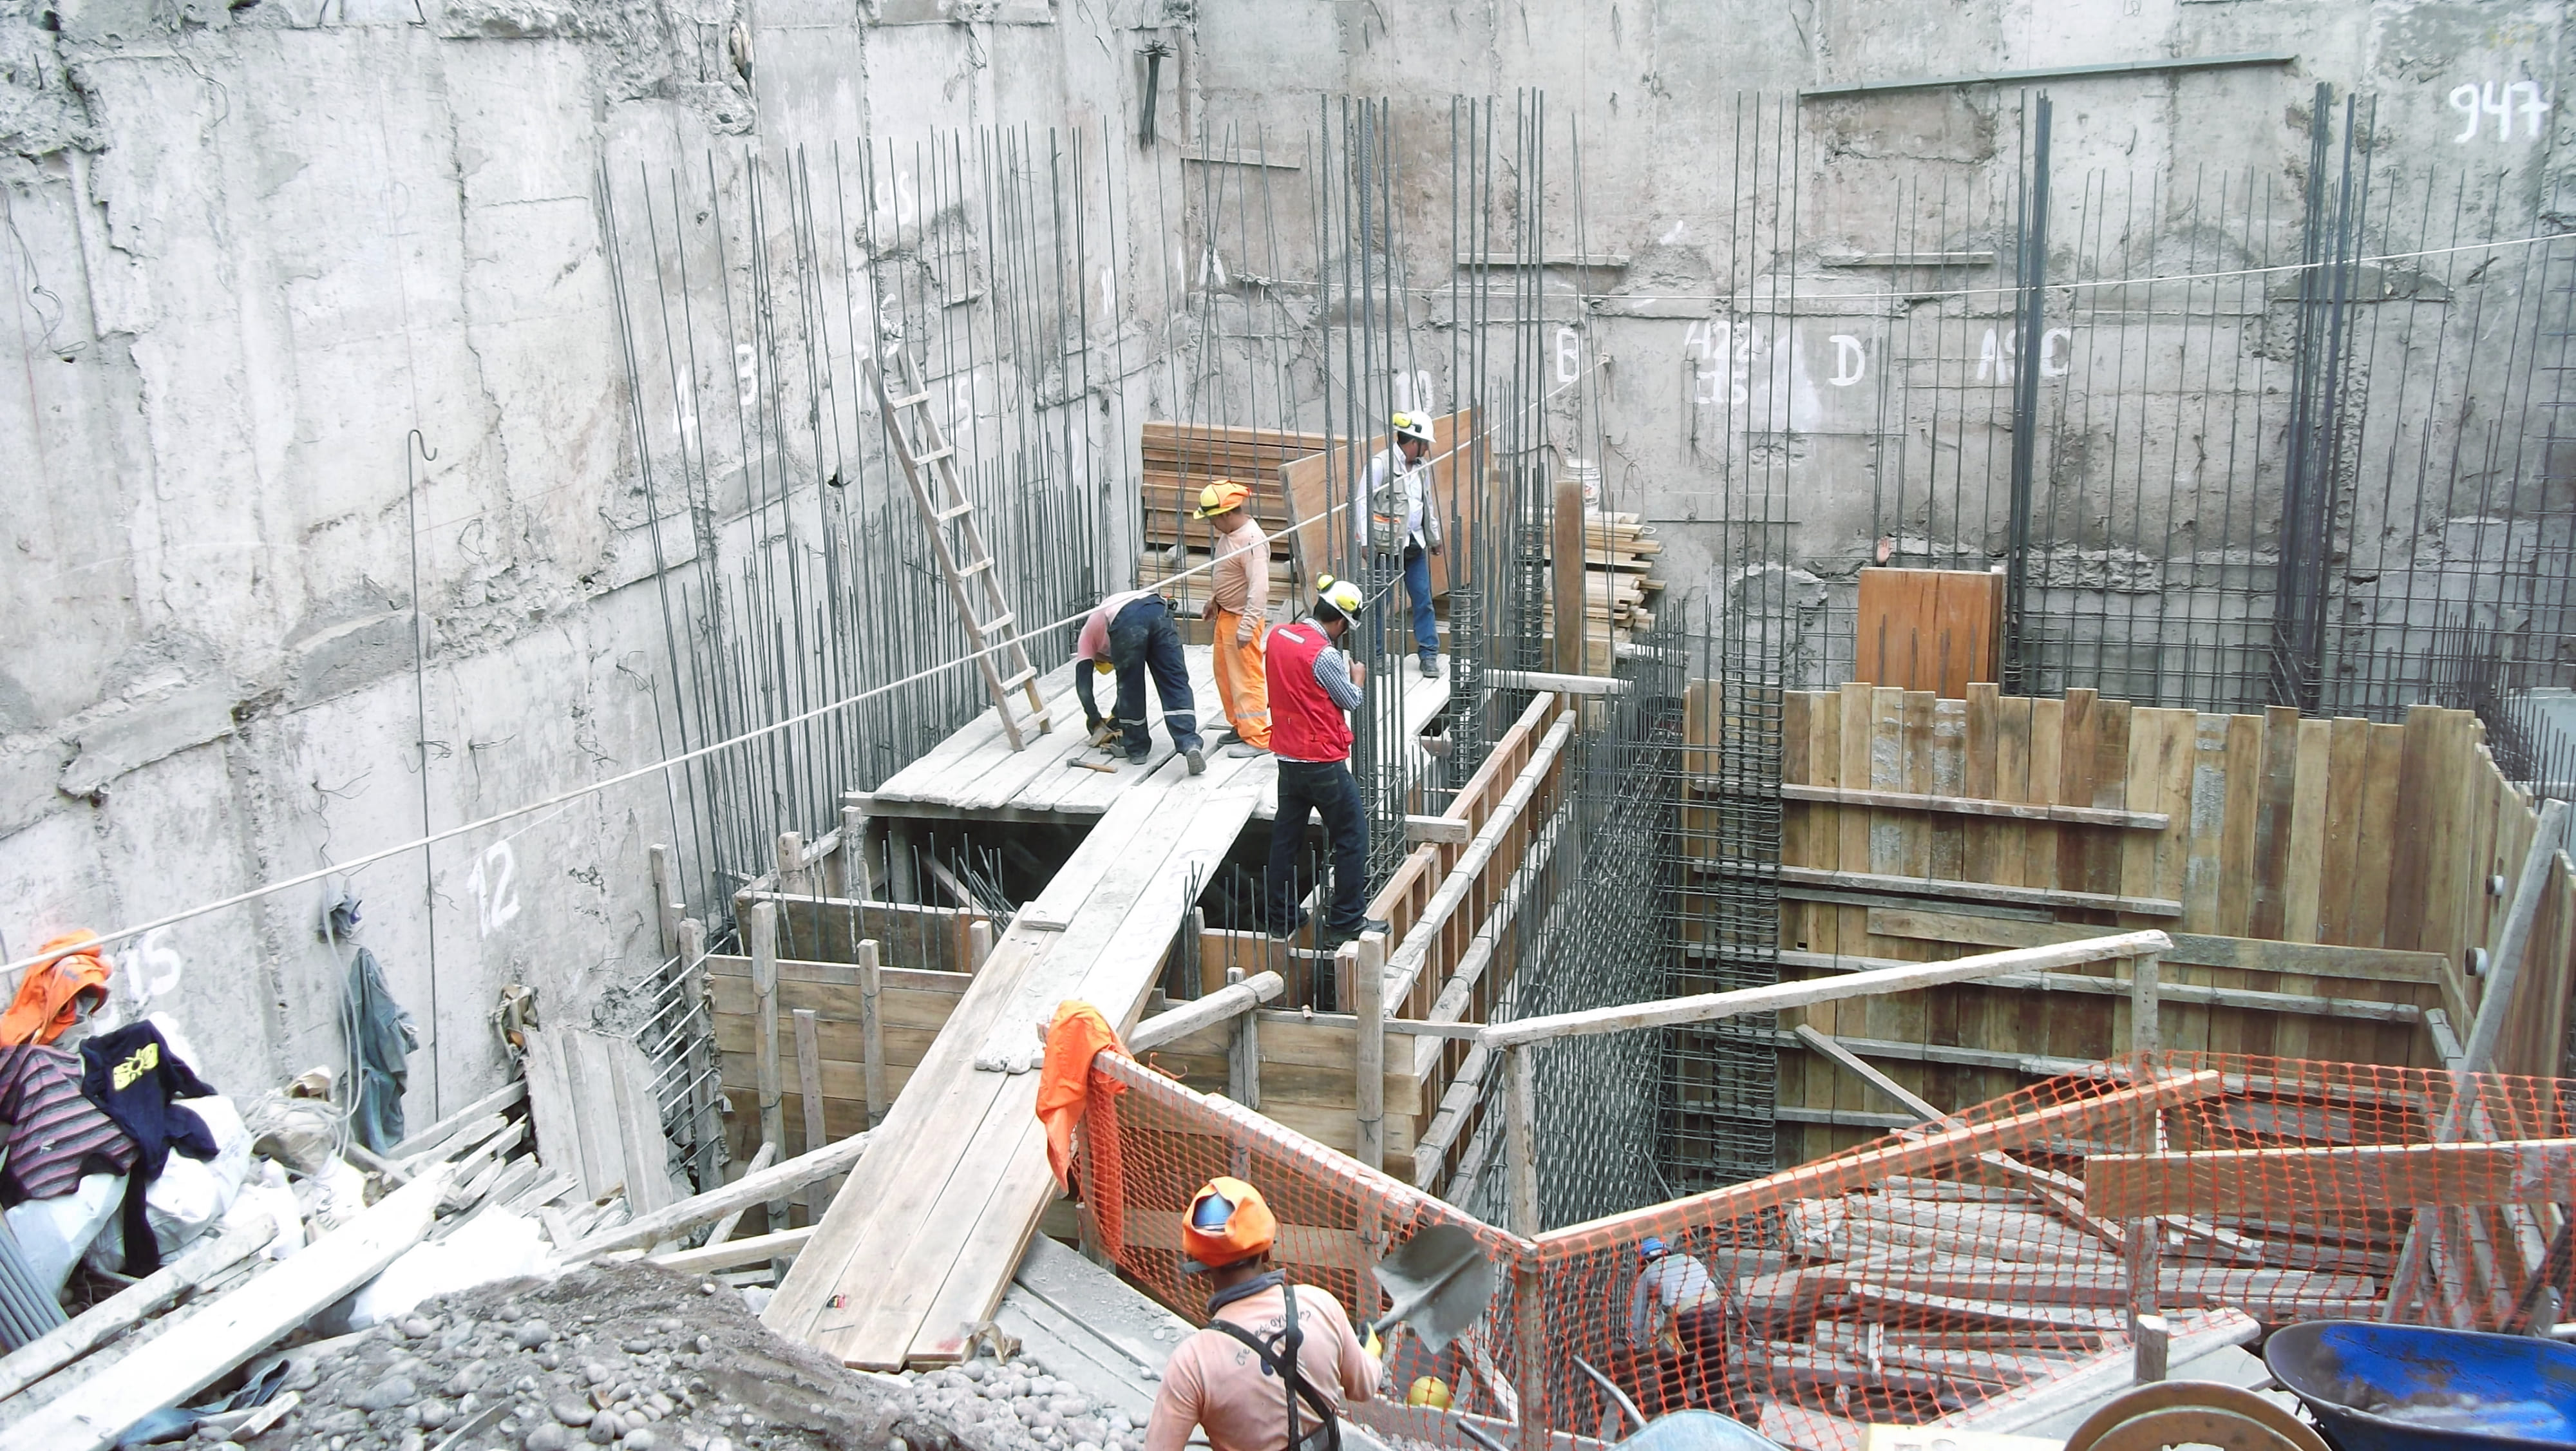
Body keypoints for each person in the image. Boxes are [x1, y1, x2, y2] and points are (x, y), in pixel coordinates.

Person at [1146, 1177, 1382, 1451]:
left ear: (1200, 1266)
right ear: (1267, 1250)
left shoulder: (1193, 1362)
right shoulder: (1322, 1305)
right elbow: (1364, 1386)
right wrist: (1371, 1350)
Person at [1263, 577, 1389, 954]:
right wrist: (1359, 679)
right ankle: (1347, 921)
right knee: (1352, 836)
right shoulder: (1325, 654)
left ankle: (1281, 917)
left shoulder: (1279, 636)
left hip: (1287, 758)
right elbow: (1350, 700)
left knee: (1286, 839)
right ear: (1339, 622)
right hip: (1322, 761)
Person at [1075, 587, 1204, 773]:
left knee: (1130, 686)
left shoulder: (1086, 638)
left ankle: (1137, 749)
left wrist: (1094, 720)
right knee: (1175, 681)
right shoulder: (1105, 617)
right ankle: (1189, 742)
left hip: (1127, 618)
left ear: (1100, 657)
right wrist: (1114, 716)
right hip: (1158, 609)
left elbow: (1084, 688)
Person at [1357, 412, 1443, 679]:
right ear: (1412, 441)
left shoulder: (1420, 468)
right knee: (1380, 602)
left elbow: (1425, 505)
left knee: (1423, 600)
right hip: (1386, 547)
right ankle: (1378, 655)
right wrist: (1366, 541)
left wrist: (1434, 537)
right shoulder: (1380, 464)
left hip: (1414, 545)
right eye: (1424, 443)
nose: (1427, 449)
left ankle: (1428, 655)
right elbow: (1361, 502)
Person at [1197, 479, 1272, 755]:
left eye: (1213, 518)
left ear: (1227, 513)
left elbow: (1259, 587)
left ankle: (1259, 737)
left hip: (1242, 619)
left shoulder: (1251, 540)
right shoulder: (1230, 535)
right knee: (1226, 676)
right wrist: (1214, 600)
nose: (1211, 524)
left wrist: (1247, 627)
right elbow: (1230, 575)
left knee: (1246, 678)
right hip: (1227, 615)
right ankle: (1241, 725)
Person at [1626, 1235, 1727, 1410]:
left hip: (1686, 1318)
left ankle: (1671, 1411)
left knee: (1678, 1368)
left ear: (1644, 1261)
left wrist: (1635, 1345)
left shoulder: (1648, 1273)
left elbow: (1639, 1314)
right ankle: (1712, 1412)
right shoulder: (1691, 1259)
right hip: (1716, 1310)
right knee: (1713, 1367)